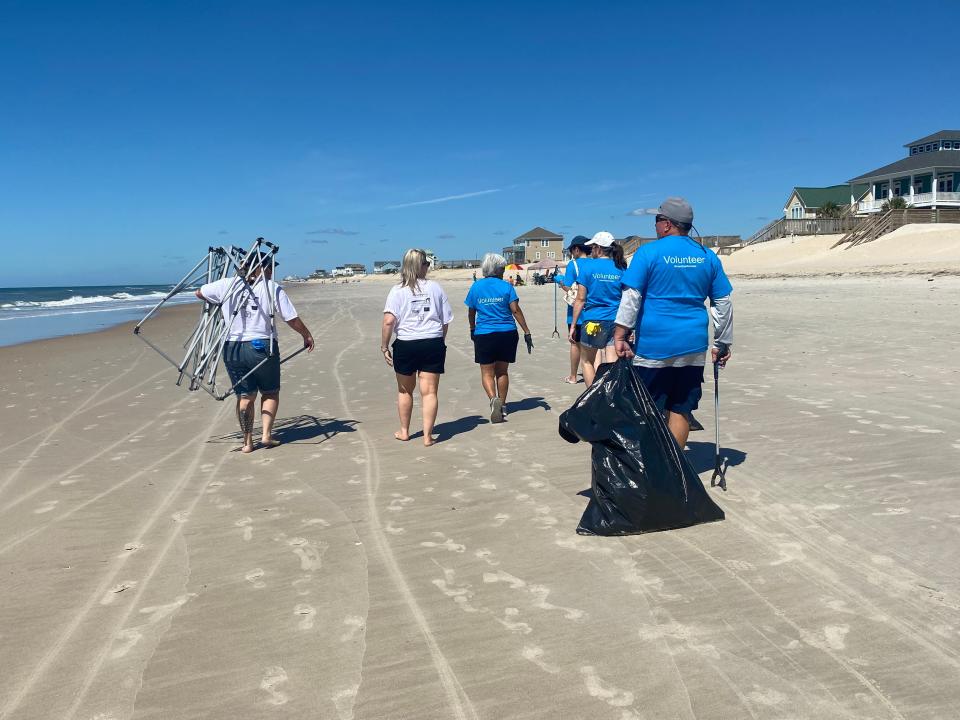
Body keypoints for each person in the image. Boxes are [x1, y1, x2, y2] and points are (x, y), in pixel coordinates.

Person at [613, 197, 733, 449]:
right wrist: (722, 342)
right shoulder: (706, 256)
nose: (654, 226)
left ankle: (654, 468)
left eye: (656, 220)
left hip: (654, 346)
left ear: (667, 224)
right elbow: (722, 302)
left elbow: (631, 297)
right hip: (692, 344)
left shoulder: (648, 252)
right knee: (680, 409)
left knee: (648, 409)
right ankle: (674, 464)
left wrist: (621, 334)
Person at [196, 254, 314, 453]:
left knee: (245, 395)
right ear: (257, 267)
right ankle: (266, 435)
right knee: (270, 391)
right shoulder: (271, 287)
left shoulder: (227, 284)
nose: (270, 271)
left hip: (232, 347)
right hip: (261, 346)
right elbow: (290, 317)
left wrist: (224, 303)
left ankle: (248, 442)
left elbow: (199, 293)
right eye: (268, 267)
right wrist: (307, 335)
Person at [381, 248, 454, 446]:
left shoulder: (397, 290)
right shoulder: (435, 288)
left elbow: (389, 321)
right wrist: (439, 340)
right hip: (432, 341)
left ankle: (405, 431)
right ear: (420, 266)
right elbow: (445, 320)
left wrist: (384, 346)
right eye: (427, 264)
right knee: (429, 392)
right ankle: (428, 436)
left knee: (405, 391)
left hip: (406, 343)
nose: (428, 268)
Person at [465, 253, 533, 423]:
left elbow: (471, 311)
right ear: (496, 270)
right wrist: (526, 331)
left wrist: (472, 328)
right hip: (507, 333)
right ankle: (502, 405)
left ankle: (493, 399)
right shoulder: (506, 287)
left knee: (487, 373)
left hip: (484, 334)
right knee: (502, 371)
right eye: (502, 268)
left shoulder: (476, 287)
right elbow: (515, 310)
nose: (503, 271)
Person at [570, 231, 627, 386]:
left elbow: (580, 299)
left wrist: (574, 325)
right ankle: (610, 399)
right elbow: (626, 299)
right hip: (616, 320)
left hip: (593, 321)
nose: (591, 251)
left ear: (598, 248)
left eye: (592, 247)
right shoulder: (620, 268)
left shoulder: (588, 267)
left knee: (587, 361)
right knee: (612, 363)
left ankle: (592, 398)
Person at [556, 236, 590, 384]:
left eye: (571, 250)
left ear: (576, 249)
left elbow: (569, 288)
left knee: (575, 344)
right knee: (594, 346)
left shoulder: (573, 264)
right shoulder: (594, 262)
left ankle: (573, 376)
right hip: (592, 310)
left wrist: (559, 281)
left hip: (576, 312)